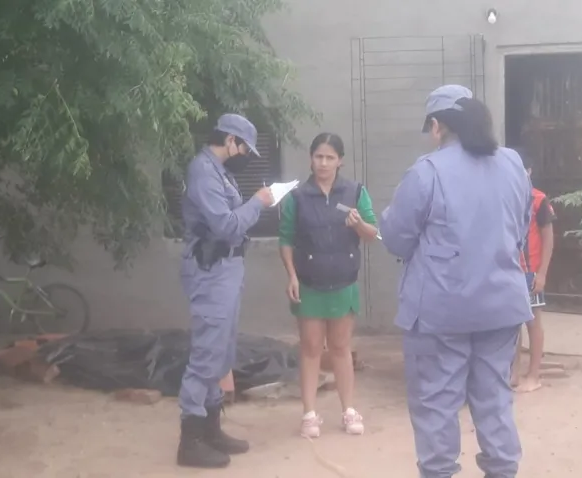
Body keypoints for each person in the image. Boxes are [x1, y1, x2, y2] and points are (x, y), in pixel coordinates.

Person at [379, 85, 533, 478]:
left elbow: (396, 238)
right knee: (495, 400)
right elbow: (520, 227)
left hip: (440, 312)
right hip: (501, 306)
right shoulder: (513, 164)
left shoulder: (427, 171)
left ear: (437, 126)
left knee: (436, 405)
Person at [177, 113, 275, 469]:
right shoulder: (203, 171)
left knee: (222, 351)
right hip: (211, 270)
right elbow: (226, 226)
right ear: (230, 140)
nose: (246, 155)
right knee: (207, 353)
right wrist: (259, 201)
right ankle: (191, 441)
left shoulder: (220, 172)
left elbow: (233, 217)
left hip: (227, 269)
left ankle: (211, 429)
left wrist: (255, 203)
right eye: (245, 148)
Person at [278, 132, 379, 438]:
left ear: (340, 161)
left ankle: (349, 410)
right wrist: (292, 275)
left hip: (343, 282)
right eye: (318, 156)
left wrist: (359, 224)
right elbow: (286, 239)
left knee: (340, 347)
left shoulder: (355, 192)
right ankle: (309, 414)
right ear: (311, 159)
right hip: (308, 283)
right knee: (310, 348)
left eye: (329, 157)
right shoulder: (297, 197)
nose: (323, 163)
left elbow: (372, 234)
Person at [512, 152, 556, 394]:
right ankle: (514, 373)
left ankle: (534, 375)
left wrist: (542, 274)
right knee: (511, 324)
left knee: (532, 322)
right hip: (509, 271)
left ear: (529, 171)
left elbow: (549, 239)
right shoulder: (506, 198)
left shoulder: (539, 200)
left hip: (530, 273)